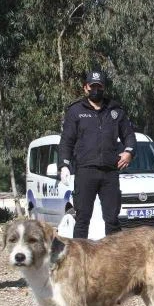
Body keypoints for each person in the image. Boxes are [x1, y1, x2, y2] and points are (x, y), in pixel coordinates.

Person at [58, 70, 136, 238]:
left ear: (104, 87)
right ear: (86, 88)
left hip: (110, 171)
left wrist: (129, 152)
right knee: (82, 218)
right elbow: (66, 140)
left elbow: (129, 135)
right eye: (92, 86)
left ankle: (114, 260)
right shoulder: (75, 111)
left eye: (99, 86)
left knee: (112, 219)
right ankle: (79, 260)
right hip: (85, 171)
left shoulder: (115, 110)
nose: (96, 89)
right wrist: (63, 164)